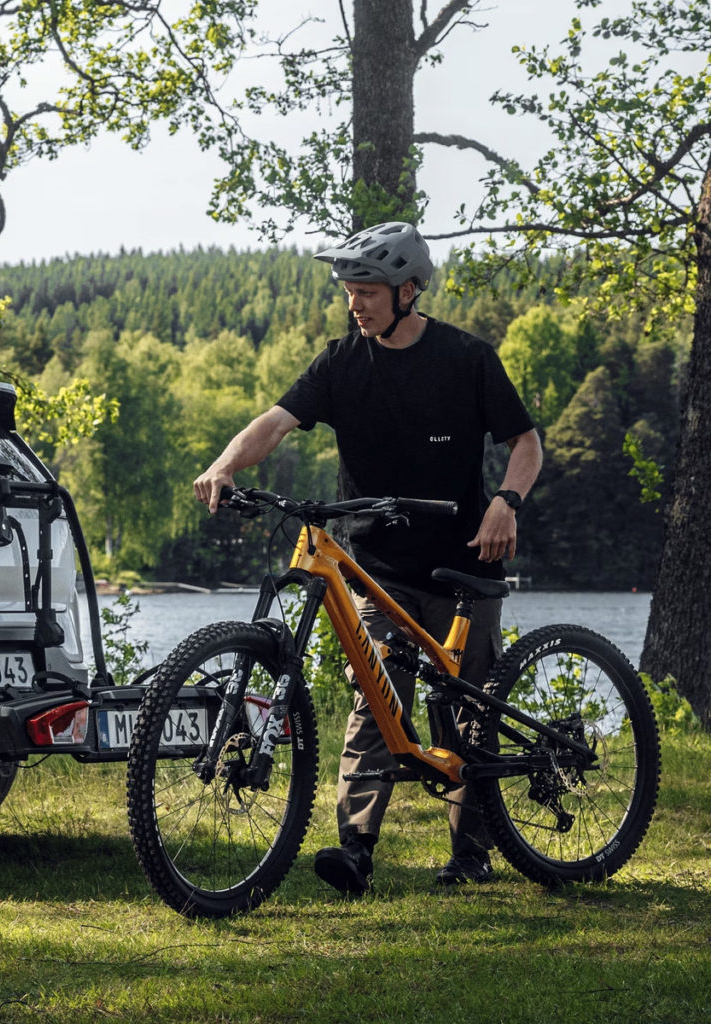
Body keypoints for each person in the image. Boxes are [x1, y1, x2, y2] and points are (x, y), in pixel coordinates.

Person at [193, 221, 543, 894]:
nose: (355, 304)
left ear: (408, 291)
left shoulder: (466, 358)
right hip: (377, 566)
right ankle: (355, 848)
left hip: (463, 564)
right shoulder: (340, 362)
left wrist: (507, 502)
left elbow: (525, 442)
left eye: (368, 292)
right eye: (349, 292)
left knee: (468, 708)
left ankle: (471, 853)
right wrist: (225, 463)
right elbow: (276, 421)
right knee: (376, 697)